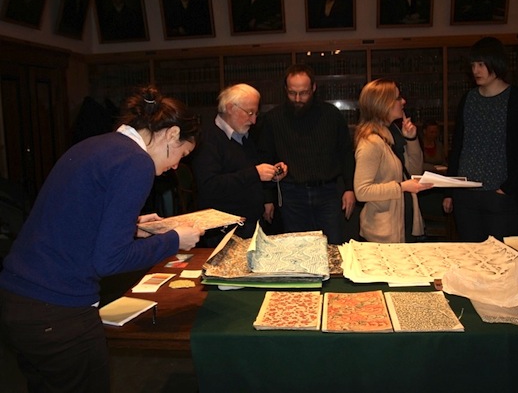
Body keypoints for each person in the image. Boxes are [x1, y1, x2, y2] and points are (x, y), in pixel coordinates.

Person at [0, 85, 203, 392]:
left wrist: (132, 226)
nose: (175, 166)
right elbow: (110, 259)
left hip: (18, 299)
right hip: (58, 310)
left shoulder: (98, 145)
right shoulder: (136, 162)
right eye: (181, 155)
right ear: (171, 134)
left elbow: (75, 217)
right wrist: (174, 239)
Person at [443, 36, 518, 242]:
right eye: (473, 65)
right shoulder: (468, 99)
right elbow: (458, 147)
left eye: (481, 64)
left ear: (496, 63)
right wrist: (450, 190)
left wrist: (507, 188)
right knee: (471, 258)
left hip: (500, 195)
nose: (476, 71)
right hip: (466, 194)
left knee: (502, 260)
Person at [257, 64, 356, 245]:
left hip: (328, 193)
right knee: (297, 249)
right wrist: (268, 199)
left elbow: (345, 153)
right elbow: (266, 159)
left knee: (332, 247)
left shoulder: (331, 115)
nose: (297, 99)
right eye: (292, 93)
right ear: (285, 89)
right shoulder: (273, 119)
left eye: (303, 93)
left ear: (314, 88)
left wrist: (349, 188)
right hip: (291, 194)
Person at [192, 83, 287, 246]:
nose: (254, 120)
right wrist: (255, 173)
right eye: (249, 113)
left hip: (247, 225)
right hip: (223, 232)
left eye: (256, 113)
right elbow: (209, 186)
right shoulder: (208, 139)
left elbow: (247, 176)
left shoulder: (244, 136)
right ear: (230, 108)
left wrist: (271, 175)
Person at [354, 78, 433, 243]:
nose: (403, 101)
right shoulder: (371, 142)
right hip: (383, 232)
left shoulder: (391, 132)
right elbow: (362, 191)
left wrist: (411, 140)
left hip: (402, 222)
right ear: (383, 103)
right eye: (397, 98)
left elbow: (413, 172)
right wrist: (401, 187)